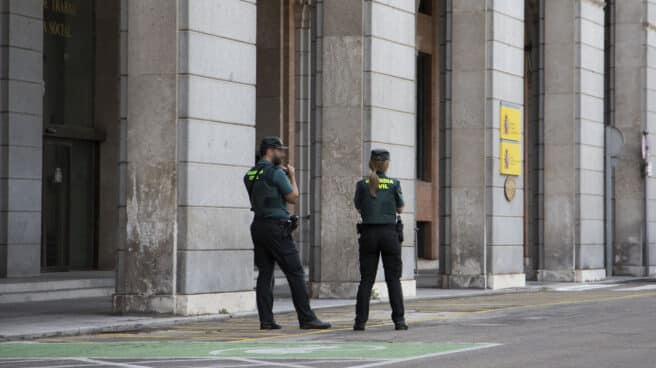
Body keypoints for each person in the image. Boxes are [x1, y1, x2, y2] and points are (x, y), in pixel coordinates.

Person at [244, 136, 331, 330]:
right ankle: (307, 318)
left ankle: (266, 320)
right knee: (296, 272)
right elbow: (293, 197)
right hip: (277, 228)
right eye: (280, 150)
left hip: (258, 226)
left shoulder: (249, 174)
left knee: (265, 273)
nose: (282, 154)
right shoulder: (276, 173)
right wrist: (291, 175)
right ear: (270, 151)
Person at [353, 148, 408, 331]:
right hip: (389, 234)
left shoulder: (362, 184)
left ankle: (360, 322)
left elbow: (358, 207)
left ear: (371, 163)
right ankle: (399, 321)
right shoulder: (394, 184)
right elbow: (400, 208)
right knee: (393, 279)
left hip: (368, 234)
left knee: (366, 280)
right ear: (386, 164)